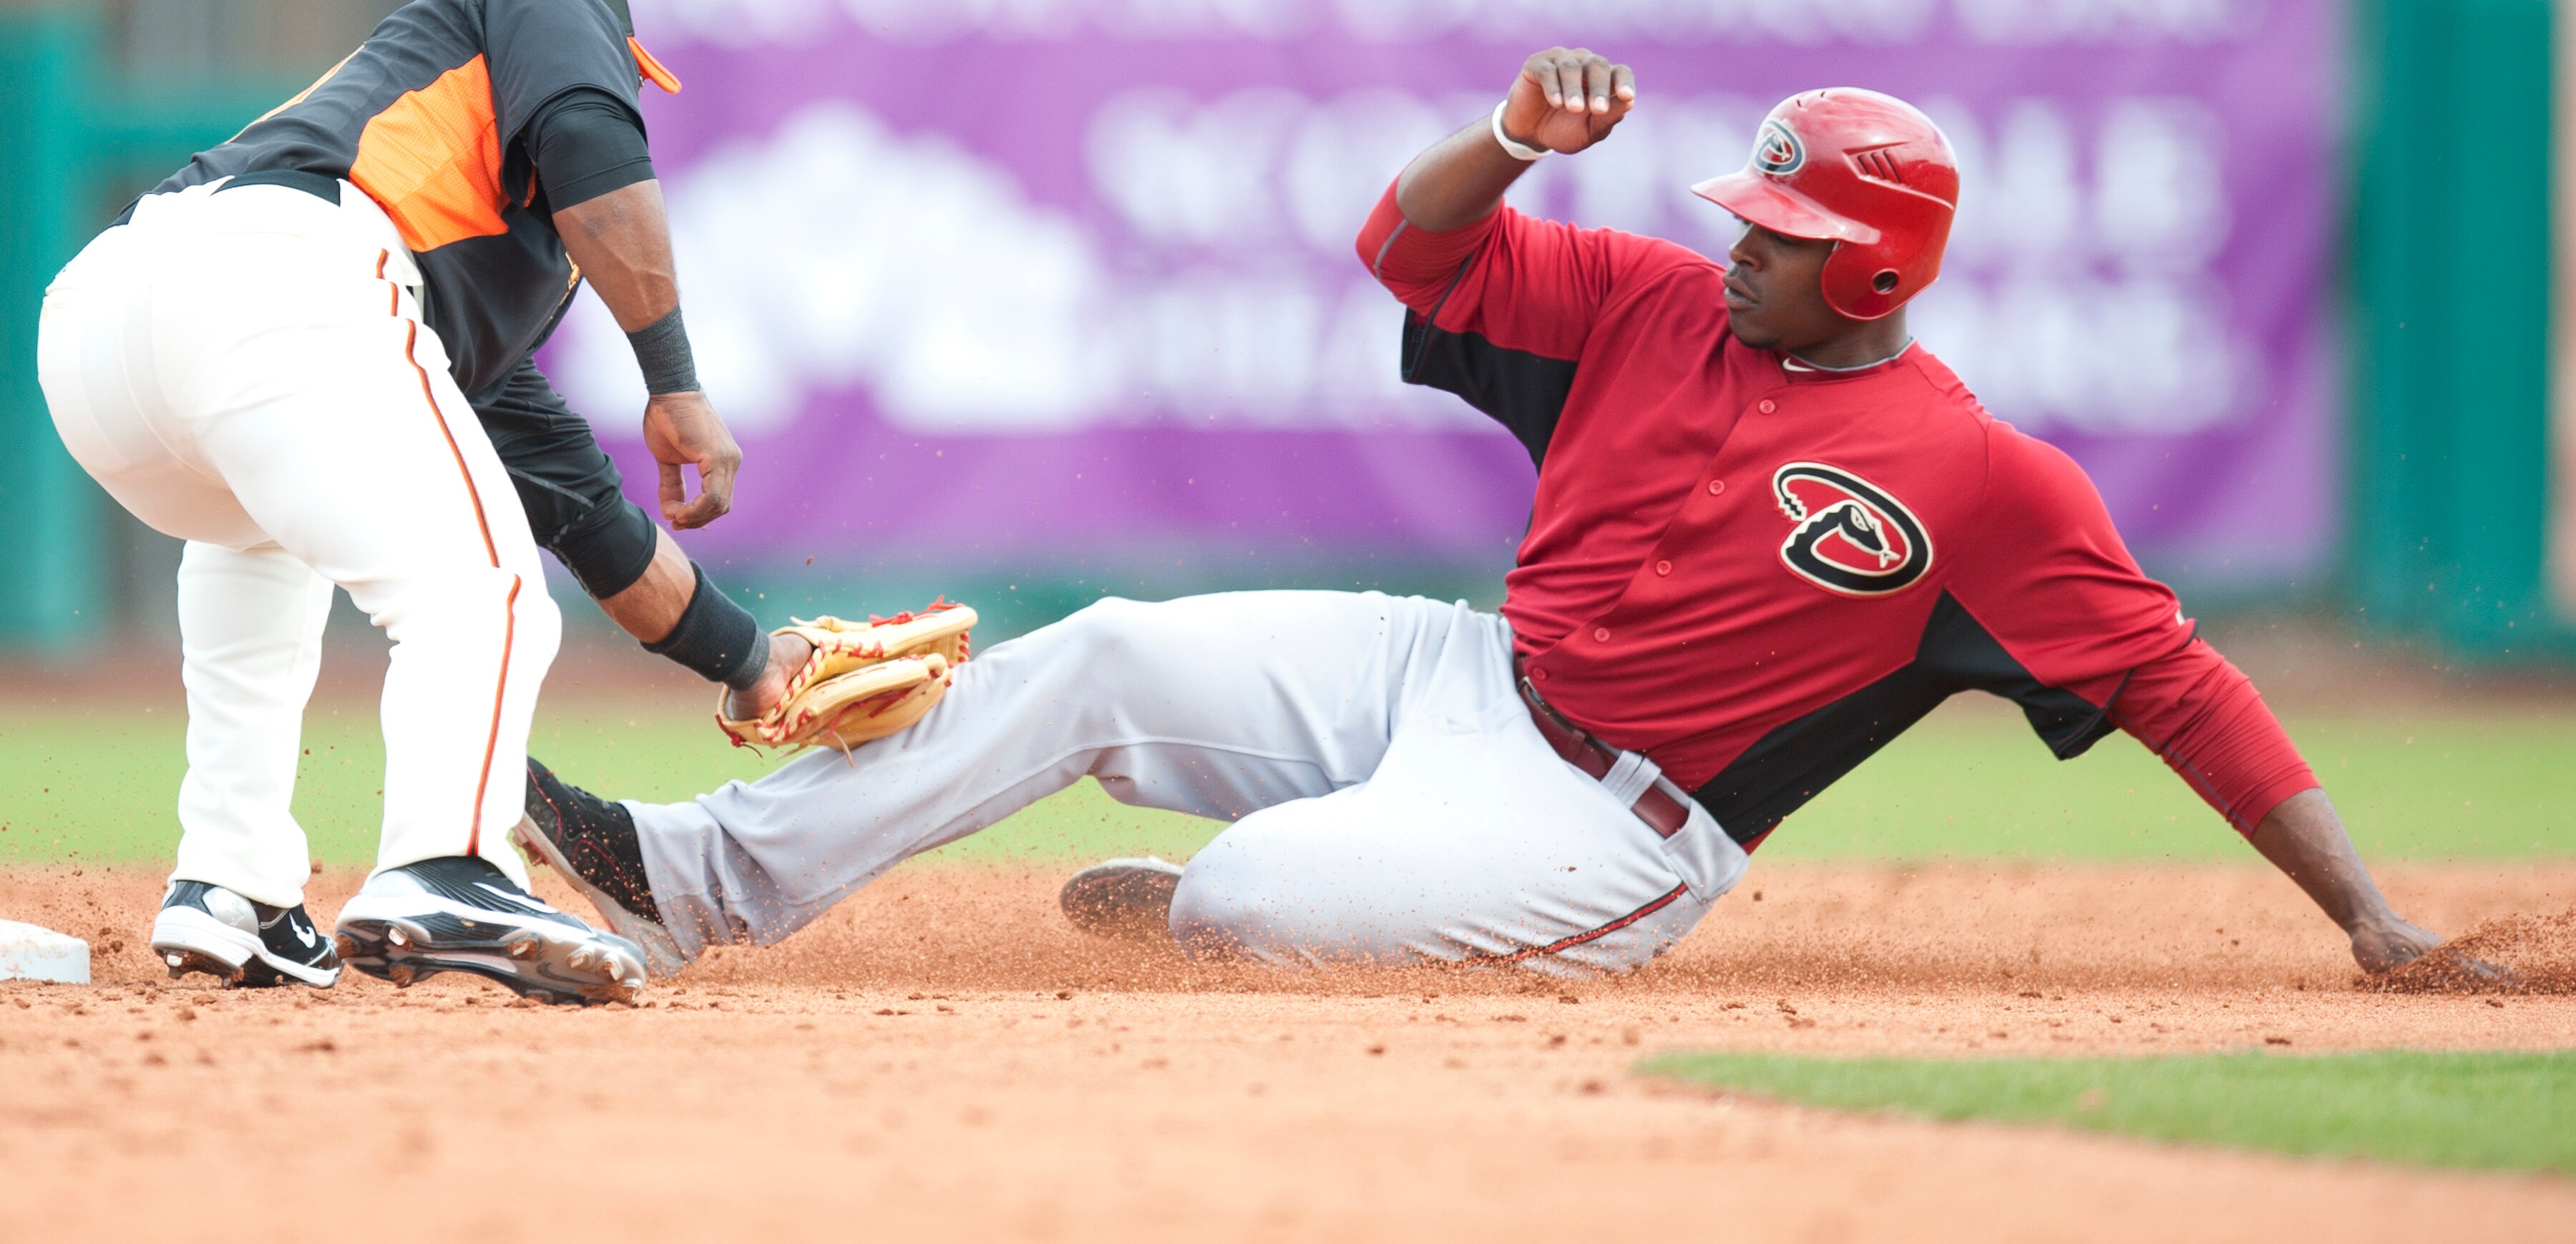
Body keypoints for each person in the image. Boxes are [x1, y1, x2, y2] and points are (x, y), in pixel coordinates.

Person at [517, 49, 2447, 981]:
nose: (1742, 248)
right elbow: (1404, 246)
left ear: (1875, 277)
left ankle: (1289, 880)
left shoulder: (1986, 480)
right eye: (1749, 215)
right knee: (1104, 647)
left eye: (1784, 238)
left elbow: (2182, 683)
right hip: (1460, 673)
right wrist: (1514, 142)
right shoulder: (1646, 297)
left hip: (1618, 817)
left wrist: (2370, 918)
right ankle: (688, 882)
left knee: (1248, 902)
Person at [36, 0, 812, 1003]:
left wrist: (751, 659)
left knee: (262, 540)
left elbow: (588, 517)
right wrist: (674, 380)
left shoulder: (430, 234)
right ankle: (446, 867)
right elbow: (590, 135)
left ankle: (233, 885)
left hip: (106, 329)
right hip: (282, 272)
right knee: (484, 591)